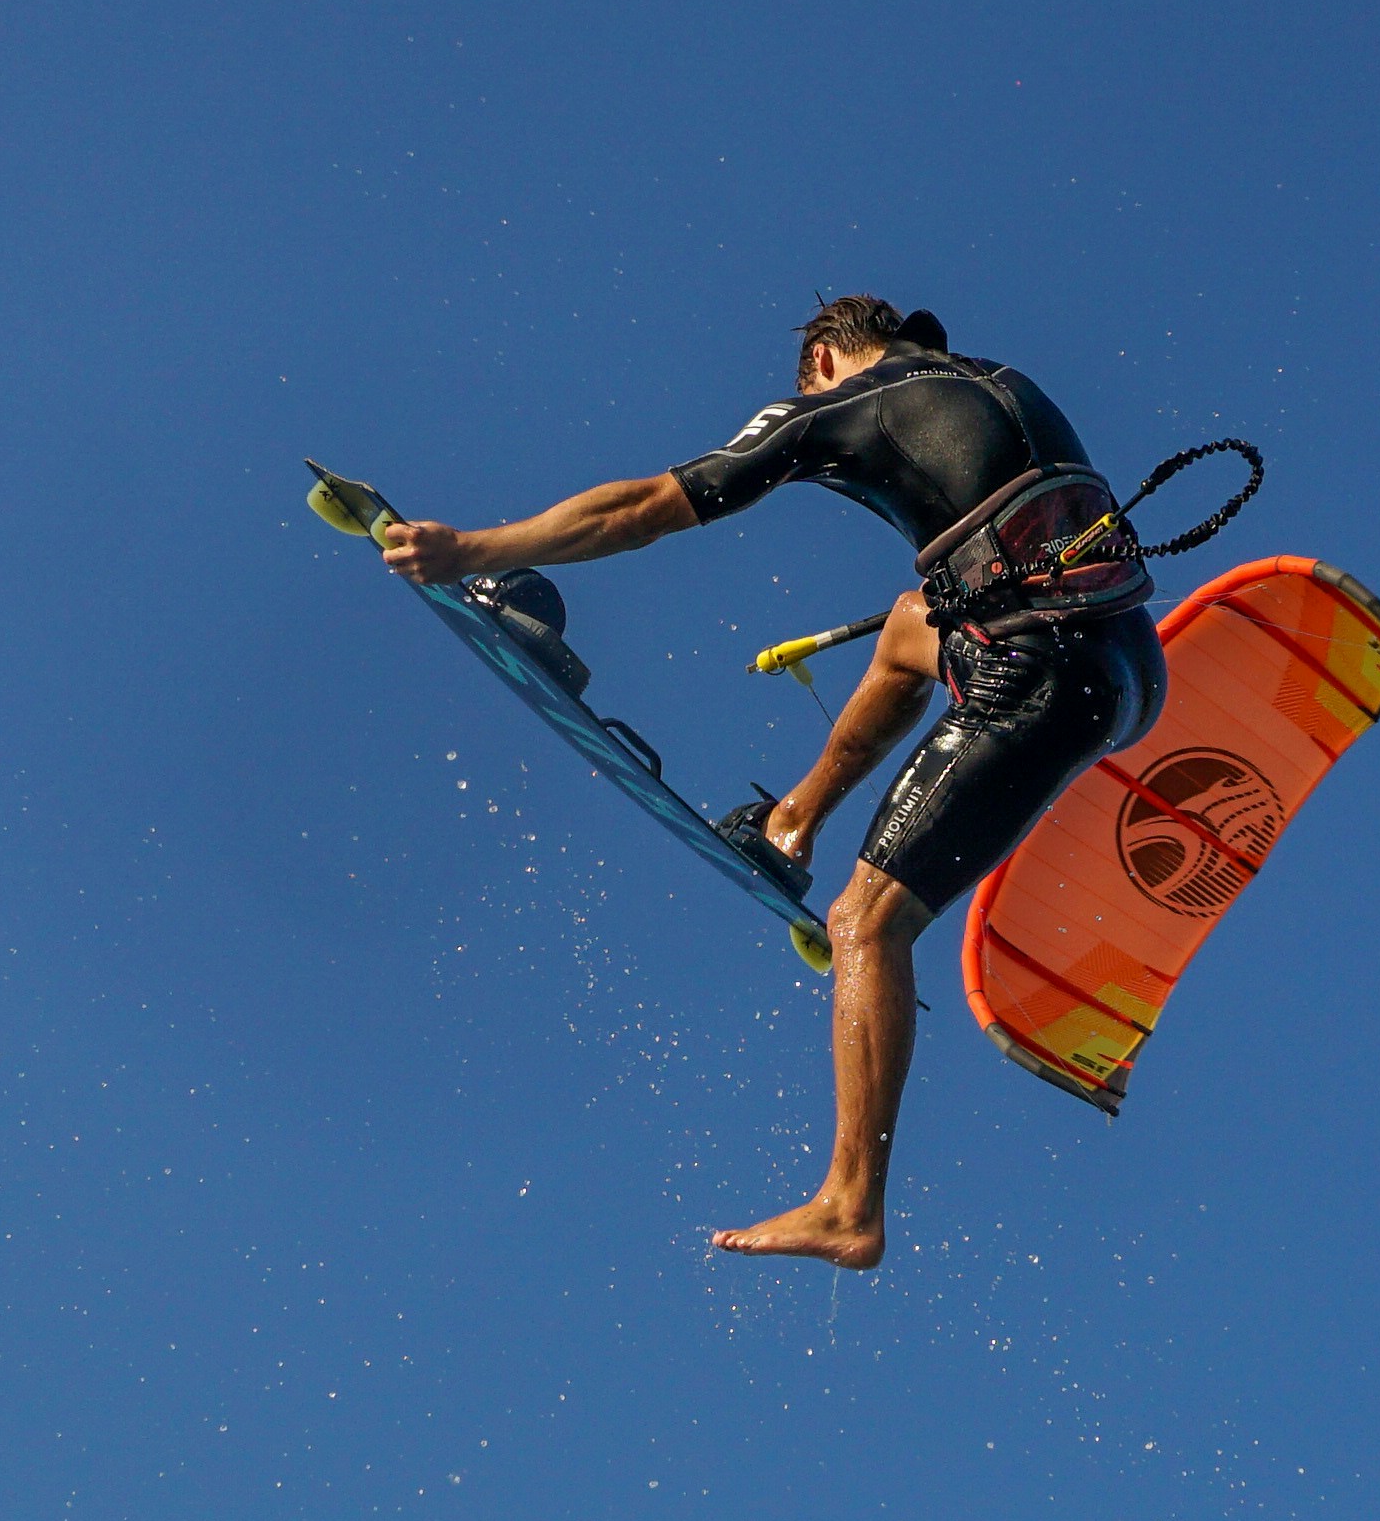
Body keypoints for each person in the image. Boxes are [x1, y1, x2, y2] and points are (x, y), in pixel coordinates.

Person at [370, 296, 1167, 1268]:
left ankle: (849, 1202)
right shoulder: (1001, 384)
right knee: (912, 620)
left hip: (1038, 674)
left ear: (822, 357)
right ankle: (790, 825)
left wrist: (472, 552)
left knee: (865, 924)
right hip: (1130, 672)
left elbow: (641, 509)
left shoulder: (842, 404)